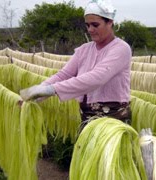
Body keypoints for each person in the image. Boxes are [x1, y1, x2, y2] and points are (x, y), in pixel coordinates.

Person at [20, 0, 132, 128]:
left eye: (95, 25)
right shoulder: (84, 49)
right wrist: (38, 92)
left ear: (110, 23)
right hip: (87, 116)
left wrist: (52, 89)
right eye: (87, 25)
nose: (90, 30)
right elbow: (65, 74)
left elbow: (97, 78)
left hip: (114, 118)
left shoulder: (121, 49)